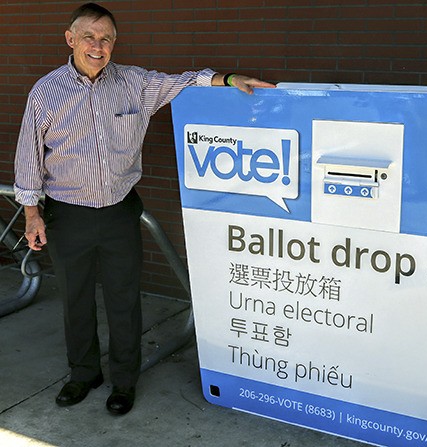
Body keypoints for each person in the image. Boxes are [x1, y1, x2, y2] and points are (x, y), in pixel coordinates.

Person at [13, 2, 275, 416]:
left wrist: (228, 78)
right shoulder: (46, 91)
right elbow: (28, 155)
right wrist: (31, 213)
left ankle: (124, 381)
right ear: (70, 39)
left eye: (107, 39)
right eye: (89, 37)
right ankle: (83, 374)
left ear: (114, 44)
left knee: (124, 299)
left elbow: (186, 82)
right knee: (75, 300)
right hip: (67, 215)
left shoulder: (135, 84)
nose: (98, 46)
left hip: (119, 213)